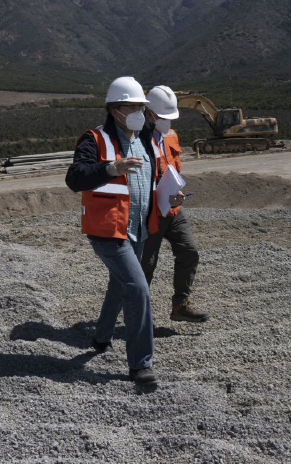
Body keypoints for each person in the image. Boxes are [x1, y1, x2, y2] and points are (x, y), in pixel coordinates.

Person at [65, 76, 172, 384]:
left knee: (120, 283)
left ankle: (100, 338)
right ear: (115, 110)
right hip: (108, 230)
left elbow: (154, 177)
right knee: (137, 288)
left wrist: (169, 195)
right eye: (133, 107)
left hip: (139, 227)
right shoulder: (95, 139)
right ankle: (140, 364)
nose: (140, 112)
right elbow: (75, 178)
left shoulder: (146, 136)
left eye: (142, 106)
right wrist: (111, 168)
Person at [141, 86, 210, 322]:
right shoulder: (137, 140)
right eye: (162, 116)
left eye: (169, 117)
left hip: (173, 208)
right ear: (149, 113)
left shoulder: (171, 135)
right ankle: (139, 314)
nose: (167, 121)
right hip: (150, 212)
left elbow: (173, 170)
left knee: (189, 251)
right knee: (146, 265)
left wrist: (176, 192)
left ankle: (180, 305)